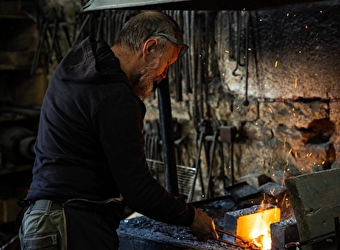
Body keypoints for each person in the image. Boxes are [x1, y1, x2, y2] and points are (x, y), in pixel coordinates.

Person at [18, 11, 218, 250]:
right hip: (71, 226)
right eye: (167, 64)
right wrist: (192, 217)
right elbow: (137, 190)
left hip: (47, 221)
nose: (163, 75)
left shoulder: (80, 68)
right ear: (150, 47)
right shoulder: (114, 97)